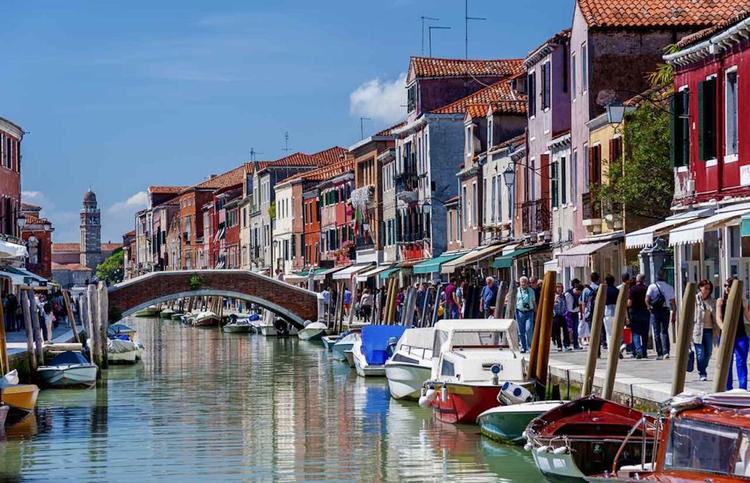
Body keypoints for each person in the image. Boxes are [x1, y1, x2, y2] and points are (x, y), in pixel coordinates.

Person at [716, 276, 750, 390]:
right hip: (726, 336)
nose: (726, 288)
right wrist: (724, 330)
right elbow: (718, 318)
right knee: (727, 364)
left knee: (741, 363)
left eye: (729, 286)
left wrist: (745, 306)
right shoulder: (720, 301)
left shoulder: (741, 301)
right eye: (725, 285)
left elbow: (748, 317)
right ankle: (728, 388)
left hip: (740, 336)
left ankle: (742, 388)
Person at [646, 270, 676, 360]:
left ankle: (659, 353)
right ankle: (666, 352)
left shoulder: (652, 287)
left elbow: (646, 299)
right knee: (664, 331)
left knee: (656, 332)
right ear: (664, 276)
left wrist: (649, 307)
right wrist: (674, 314)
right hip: (665, 310)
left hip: (655, 311)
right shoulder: (669, 287)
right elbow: (673, 303)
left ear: (656, 276)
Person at [693, 280, 716, 381]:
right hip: (697, 329)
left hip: (709, 329)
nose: (707, 290)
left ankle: (703, 368)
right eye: (705, 288)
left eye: (709, 289)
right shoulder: (695, 299)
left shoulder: (712, 301)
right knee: (700, 352)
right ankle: (702, 372)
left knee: (709, 352)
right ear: (700, 288)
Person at [628, 274, 650, 359]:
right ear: (644, 280)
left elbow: (629, 303)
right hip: (645, 312)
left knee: (635, 333)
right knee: (645, 333)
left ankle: (638, 350)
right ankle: (644, 351)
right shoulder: (646, 288)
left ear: (637, 280)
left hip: (635, 312)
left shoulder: (632, 289)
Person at [515, 276, 536, 353]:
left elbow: (534, 302)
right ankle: (523, 347)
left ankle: (530, 345)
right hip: (520, 312)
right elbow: (508, 299)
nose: (523, 283)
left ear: (527, 283)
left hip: (529, 312)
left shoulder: (531, 291)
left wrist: (535, 312)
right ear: (520, 283)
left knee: (529, 329)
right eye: (522, 282)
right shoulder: (516, 291)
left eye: (525, 282)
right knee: (521, 331)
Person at [580, 272, 601, 348]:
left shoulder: (586, 290)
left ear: (591, 279)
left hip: (589, 313)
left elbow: (583, 303)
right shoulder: (600, 288)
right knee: (599, 330)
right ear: (598, 279)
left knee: (591, 330)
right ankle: (598, 348)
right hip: (599, 312)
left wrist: (583, 314)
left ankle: (593, 347)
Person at [602, 274, 619, 350]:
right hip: (616, 311)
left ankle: (610, 349)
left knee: (608, 333)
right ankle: (617, 348)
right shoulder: (617, 290)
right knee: (616, 332)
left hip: (607, 312)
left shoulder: (604, 291)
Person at [552, 283, 571, 351]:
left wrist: (566, 312)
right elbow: (551, 306)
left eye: (560, 287)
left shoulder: (563, 296)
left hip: (563, 315)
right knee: (557, 331)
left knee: (565, 330)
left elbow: (565, 305)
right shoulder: (554, 296)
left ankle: (567, 344)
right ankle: (559, 345)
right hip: (556, 315)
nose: (559, 289)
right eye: (558, 287)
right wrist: (555, 300)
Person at [565, 280, 583, 350]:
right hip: (568, 313)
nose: (580, 294)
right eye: (579, 292)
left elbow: (580, 304)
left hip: (575, 313)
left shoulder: (578, 295)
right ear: (577, 289)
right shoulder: (568, 294)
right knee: (568, 330)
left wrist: (580, 313)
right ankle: (567, 344)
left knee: (575, 330)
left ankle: (576, 344)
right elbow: (565, 304)